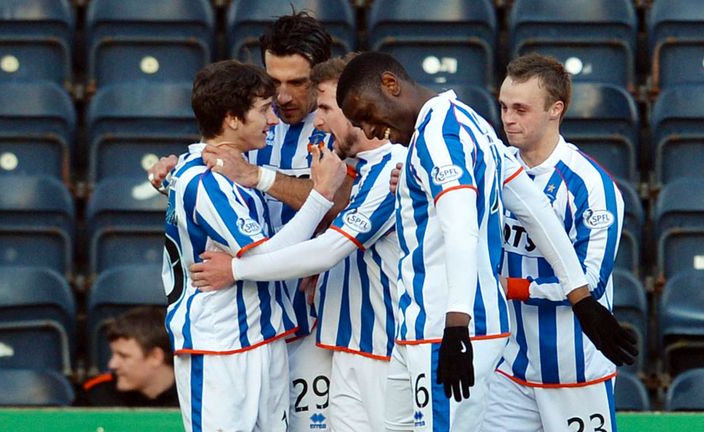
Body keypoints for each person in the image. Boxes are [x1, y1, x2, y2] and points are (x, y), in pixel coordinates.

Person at [336, 52, 636, 431]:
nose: (368, 131)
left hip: (458, 332)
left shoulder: (440, 137)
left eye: (365, 114)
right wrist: (580, 297)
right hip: (471, 345)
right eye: (504, 107)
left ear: (391, 85)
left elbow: (463, 226)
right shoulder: (471, 124)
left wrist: (457, 324)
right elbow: (532, 206)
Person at [148, 12, 347, 431]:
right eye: (274, 83)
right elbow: (198, 178)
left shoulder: (338, 127)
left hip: (309, 318)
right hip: (235, 326)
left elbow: (345, 202)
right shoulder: (248, 124)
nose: (283, 98)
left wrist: (262, 178)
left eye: (299, 82)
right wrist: (170, 176)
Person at [188, 54, 405, 432]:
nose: (317, 121)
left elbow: (327, 250)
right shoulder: (358, 170)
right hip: (345, 345)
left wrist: (236, 269)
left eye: (324, 108)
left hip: (386, 349)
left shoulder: (395, 169)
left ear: (357, 106)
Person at [482, 53, 631, 432]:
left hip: (575, 371)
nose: (508, 119)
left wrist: (510, 288)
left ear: (555, 110)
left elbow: (591, 284)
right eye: (503, 107)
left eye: (521, 109)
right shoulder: (489, 170)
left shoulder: (591, 186)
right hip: (509, 367)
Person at [78, 306, 178, 407]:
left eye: (123, 356)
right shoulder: (96, 397)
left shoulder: (191, 397)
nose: (112, 365)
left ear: (155, 357)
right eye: (113, 354)